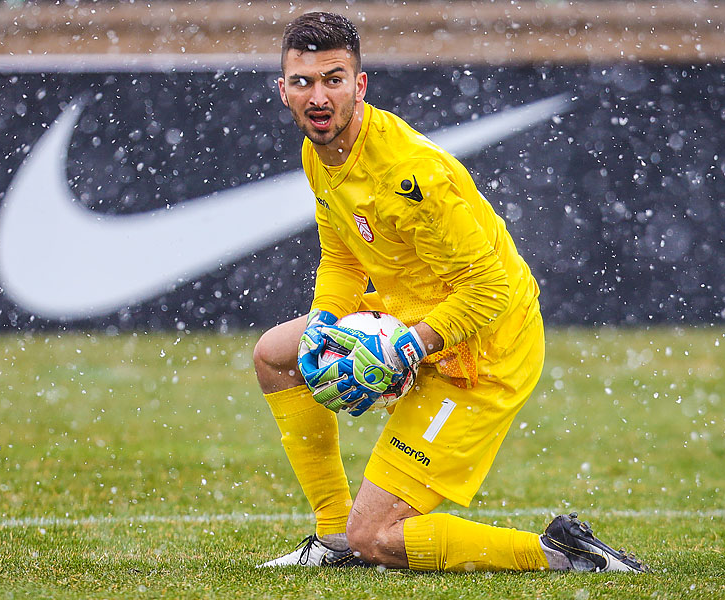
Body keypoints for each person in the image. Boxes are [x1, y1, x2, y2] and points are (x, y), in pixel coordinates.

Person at [252, 11, 647, 573]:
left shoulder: (410, 176)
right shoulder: (321, 150)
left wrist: (408, 347)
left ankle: (565, 556)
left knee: (376, 538)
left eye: (333, 80)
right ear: (283, 90)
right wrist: (324, 320)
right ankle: (331, 540)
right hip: (417, 311)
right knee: (275, 355)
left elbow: (488, 289)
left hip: (488, 345)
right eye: (303, 82)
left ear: (359, 85)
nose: (319, 97)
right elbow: (342, 253)